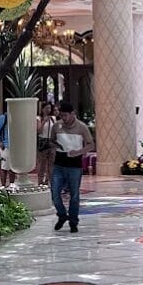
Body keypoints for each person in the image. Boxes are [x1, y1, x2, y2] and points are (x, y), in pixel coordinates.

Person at [51, 99, 94, 232]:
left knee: (74, 194)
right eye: (61, 115)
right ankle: (62, 215)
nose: (63, 118)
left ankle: (73, 221)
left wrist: (78, 152)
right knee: (55, 193)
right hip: (59, 164)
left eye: (65, 115)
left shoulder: (82, 127)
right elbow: (52, 141)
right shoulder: (57, 126)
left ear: (73, 114)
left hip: (74, 165)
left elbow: (91, 145)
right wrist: (54, 146)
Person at [36, 99, 57, 188]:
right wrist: (44, 121)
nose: (48, 110)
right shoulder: (38, 118)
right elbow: (38, 131)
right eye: (46, 108)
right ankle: (40, 182)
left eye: (49, 108)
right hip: (42, 142)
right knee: (42, 164)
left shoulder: (53, 118)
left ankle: (49, 181)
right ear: (42, 109)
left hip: (51, 143)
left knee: (51, 163)